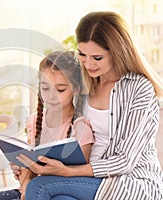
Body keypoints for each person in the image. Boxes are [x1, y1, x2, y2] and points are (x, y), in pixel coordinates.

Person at [18, 11, 163, 200]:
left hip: (128, 182)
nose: (88, 64)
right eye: (82, 54)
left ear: (117, 52)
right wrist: (34, 165)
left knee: (38, 188)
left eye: (97, 58)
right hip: (83, 179)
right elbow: (64, 130)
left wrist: (67, 172)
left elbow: (125, 161)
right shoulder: (85, 83)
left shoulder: (138, 88)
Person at [0, 51, 95, 200]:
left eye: (60, 89)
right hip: (30, 190)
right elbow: (29, 167)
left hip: (58, 193)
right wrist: (23, 174)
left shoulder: (80, 127)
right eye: (45, 88)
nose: (52, 95)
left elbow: (78, 175)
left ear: (76, 89)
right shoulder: (35, 121)